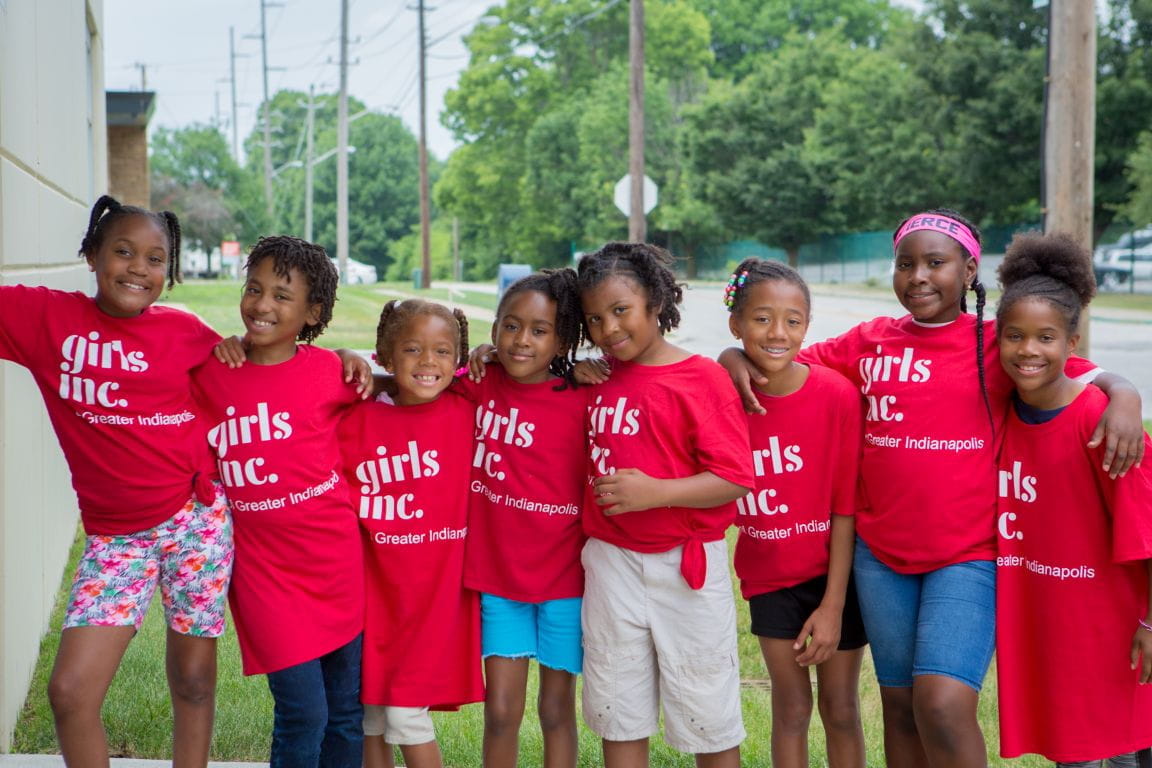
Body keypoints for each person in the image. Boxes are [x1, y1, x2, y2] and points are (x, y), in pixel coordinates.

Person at [719, 209, 1145, 768]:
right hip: (880, 558)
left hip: (967, 555)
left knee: (942, 704)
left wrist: (1125, 393)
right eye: (905, 264)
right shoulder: (869, 341)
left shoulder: (1000, 341)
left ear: (968, 271)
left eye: (935, 263)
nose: (918, 276)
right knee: (900, 709)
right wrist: (730, 356)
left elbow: (1075, 368)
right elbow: (785, 362)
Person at [0, 195, 232, 767]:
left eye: (155, 259)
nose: (138, 268)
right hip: (116, 538)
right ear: (91, 255)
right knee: (70, 692)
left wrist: (353, 367)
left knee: (193, 679)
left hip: (196, 521)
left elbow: (266, 379)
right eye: (123, 251)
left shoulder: (187, 332)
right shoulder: (46, 319)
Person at [577, 242, 753, 768]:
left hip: (687, 568)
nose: (608, 328)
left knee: (707, 711)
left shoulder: (700, 378)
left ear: (655, 303)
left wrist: (657, 492)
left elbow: (735, 477)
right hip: (611, 563)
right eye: (594, 319)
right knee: (616, 705)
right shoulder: (597, 377)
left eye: (620, 310)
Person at [192, 235, 365, 767]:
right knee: (303, 713)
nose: (262, 304)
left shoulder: (330, 372)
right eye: (254, 289)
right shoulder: (212, 372)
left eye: (282, 295)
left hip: (337, 567)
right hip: (265, 578)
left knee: (346, 713)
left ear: (313, 311)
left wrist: (353, 358)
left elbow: (401, 387)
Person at [994, 231, 1152, 767]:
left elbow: (1146, 528)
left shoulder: (1101, 423)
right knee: (1071, 749)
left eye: (1046, 337)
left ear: (1072, 343)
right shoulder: (1000, 411)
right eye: (1014, 336)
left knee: (1122, 749)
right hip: (1051, 623)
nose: (1028, 350)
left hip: (1114, 626)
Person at [723, 258, 866, 768]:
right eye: (761, 319)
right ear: (736, 324)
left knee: (841, 709)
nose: (777, 333)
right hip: (769, 580)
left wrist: (833, 605)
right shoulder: (722, 397)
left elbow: (845, 509)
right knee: (791, 709)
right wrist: (726, 360)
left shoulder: (836, 396)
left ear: (807, 325)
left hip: (836, 578)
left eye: (792, 320)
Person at [338, 299, 484, 768]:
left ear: (458, 360)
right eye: (412, 349)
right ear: (384, 354)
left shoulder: (469, 411)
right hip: (373, 599)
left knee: (406, 717)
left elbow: (516, 375)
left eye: (442, 351)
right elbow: (316, 376)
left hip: (434, 603)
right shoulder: (356, 418)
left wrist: (489, 354)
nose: (427, 361)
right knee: (369, 716)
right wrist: (343, 355)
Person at [461, 269, 587, 768]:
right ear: (494, 328)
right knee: (500, 711)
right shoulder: (476, 384)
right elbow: (413, 374)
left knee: (556, 709)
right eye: (511, 326)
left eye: (539, 330)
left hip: (565, 580)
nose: (521, 340)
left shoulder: (583, 396)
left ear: (563, 340)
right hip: (499, 579)